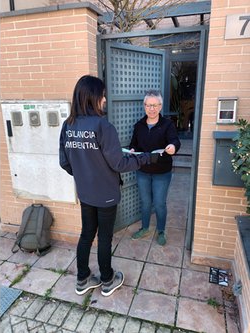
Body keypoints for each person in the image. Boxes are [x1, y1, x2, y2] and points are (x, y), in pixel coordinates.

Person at [59, 75, 158, 297]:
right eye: (103, 95)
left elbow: (64, 161)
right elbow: (119, 163)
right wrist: (145, 158)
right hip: (105, 194)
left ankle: (82, 279)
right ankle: (107, 279)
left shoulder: (68, 125)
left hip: (85, 192)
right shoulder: (103, 126)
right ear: (94, 97)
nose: (105, 99)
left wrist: (85, 174)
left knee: (86, 235)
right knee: (104, 238)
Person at [129, 90, 181, 246]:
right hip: (143, 171)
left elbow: (174, 141)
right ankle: (144, 228)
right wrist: (132, 150)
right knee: (145, 203)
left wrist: (172, 146)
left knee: (159, 203)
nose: (151, 109)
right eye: (148, 105)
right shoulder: (139, 125)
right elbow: (134, 144)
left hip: (161, 172)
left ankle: (160, 230)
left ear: (160, 106)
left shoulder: (167, 124)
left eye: (154, 105)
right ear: (144, 106)